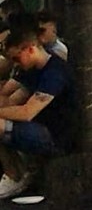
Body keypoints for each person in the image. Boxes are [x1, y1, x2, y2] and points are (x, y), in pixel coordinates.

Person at [0, 20, 76, 199]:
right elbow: (10, 101)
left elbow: (27, 112)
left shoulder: (55, 73)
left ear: (30, 49)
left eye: (17, 58)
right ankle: (19, 170)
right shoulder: (33, 69)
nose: (15, 64)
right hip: (40, 128)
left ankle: (15, 176)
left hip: (55, 136)